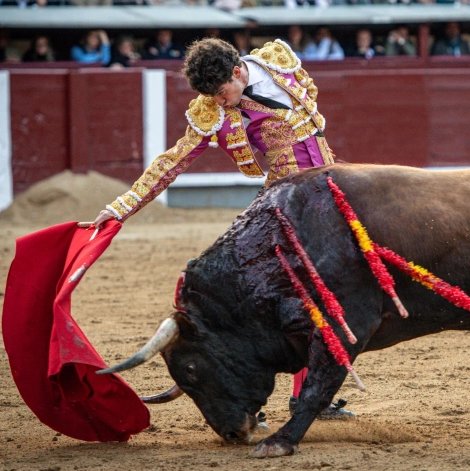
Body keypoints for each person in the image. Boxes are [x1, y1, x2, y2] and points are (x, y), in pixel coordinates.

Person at [87, 38, 352, 420]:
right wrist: (119, 208)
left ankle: (307, 397)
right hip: (286, 207)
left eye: (222, 91)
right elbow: (171, 162)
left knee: (330, 292)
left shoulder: (279, 61)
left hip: (331, 191)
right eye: (210, 95)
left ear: (237, 71)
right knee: (288, 296)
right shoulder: (213, 111)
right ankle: (251, 394)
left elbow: (310, 105)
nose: (219, 101)